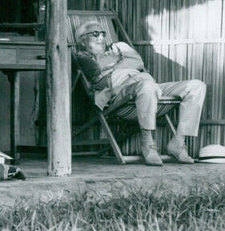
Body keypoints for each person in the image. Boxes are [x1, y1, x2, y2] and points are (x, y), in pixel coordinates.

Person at [73, 20, 206, 166]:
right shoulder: (83, 57)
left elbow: (138, 63)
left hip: (149, 87)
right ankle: (147, 144)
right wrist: (123, 64)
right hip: (122, 94)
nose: (101, 37)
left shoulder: (119, 46)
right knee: (147, 86)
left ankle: (178, 142)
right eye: (95, 34)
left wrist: (112, 68)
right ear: (83, 41)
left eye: (102, 33)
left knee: (196, 86)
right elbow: (100, 80)